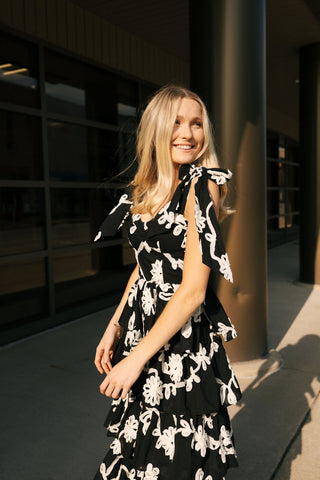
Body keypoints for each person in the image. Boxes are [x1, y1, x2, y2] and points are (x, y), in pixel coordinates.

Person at [93, 85, 242, 480]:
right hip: (142, 330)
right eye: (177, 122)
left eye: (196, 124)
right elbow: (144, 268)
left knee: (172, 456)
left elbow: (194, 289)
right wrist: (115, 325)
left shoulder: (201, 186)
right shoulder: (146, 189)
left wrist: (134, 361)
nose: (188, 133)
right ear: (156, 128)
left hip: (181, 341)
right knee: (136, 449)